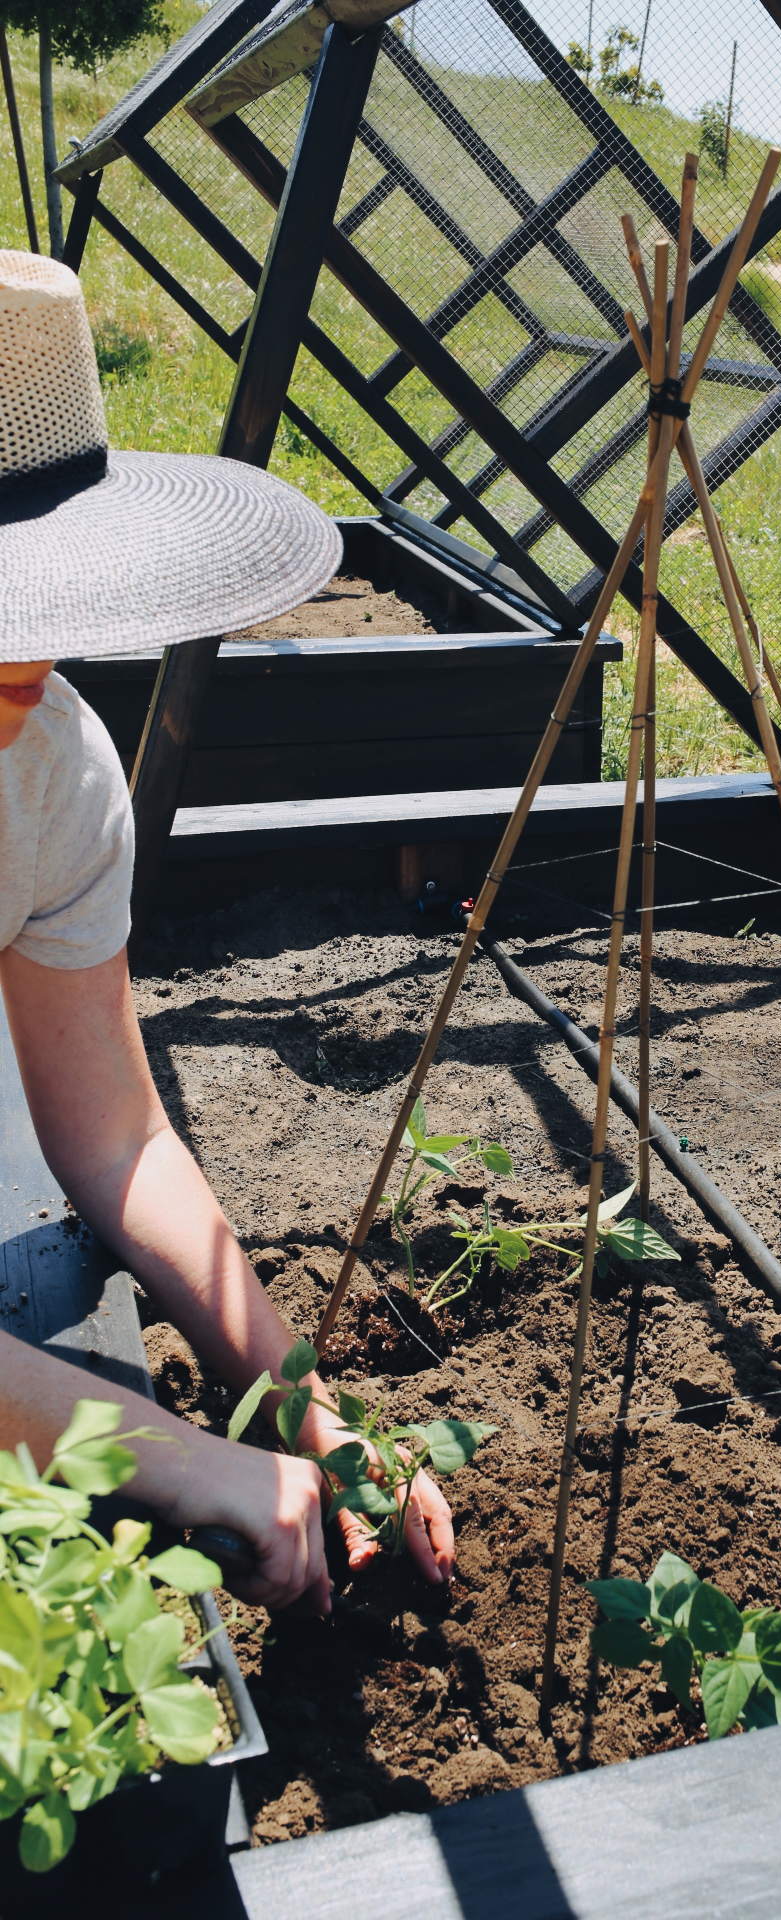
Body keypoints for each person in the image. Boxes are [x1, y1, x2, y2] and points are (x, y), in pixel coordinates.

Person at [0, 250, 454, 1613]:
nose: (20, 672)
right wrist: (175, 1459)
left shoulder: (52, 770)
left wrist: (300, 1409)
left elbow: (117, 1135)